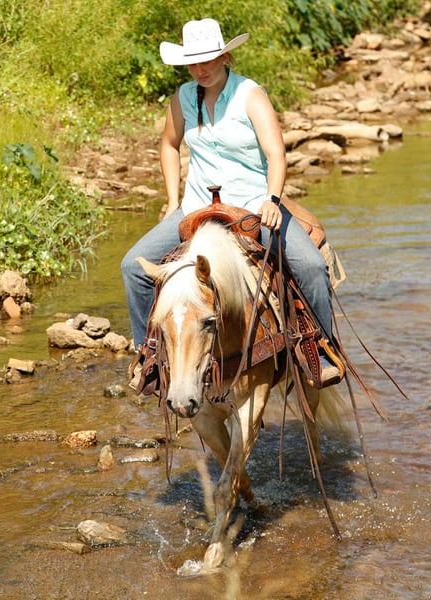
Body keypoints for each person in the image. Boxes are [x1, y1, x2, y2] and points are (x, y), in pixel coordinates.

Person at [121, 18, 338, 385]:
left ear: (225, 56)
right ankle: (150, 354)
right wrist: (173, 199)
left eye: (207, 60)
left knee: (312, 266)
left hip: (252, 206)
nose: (200, 69)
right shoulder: (182, 98)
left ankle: (320, 347)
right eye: (193, 62)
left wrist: (272, 199)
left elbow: (276, 153)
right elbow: (169, 146)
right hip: (197, 207)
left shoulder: (250, 95)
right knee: (133, 267)